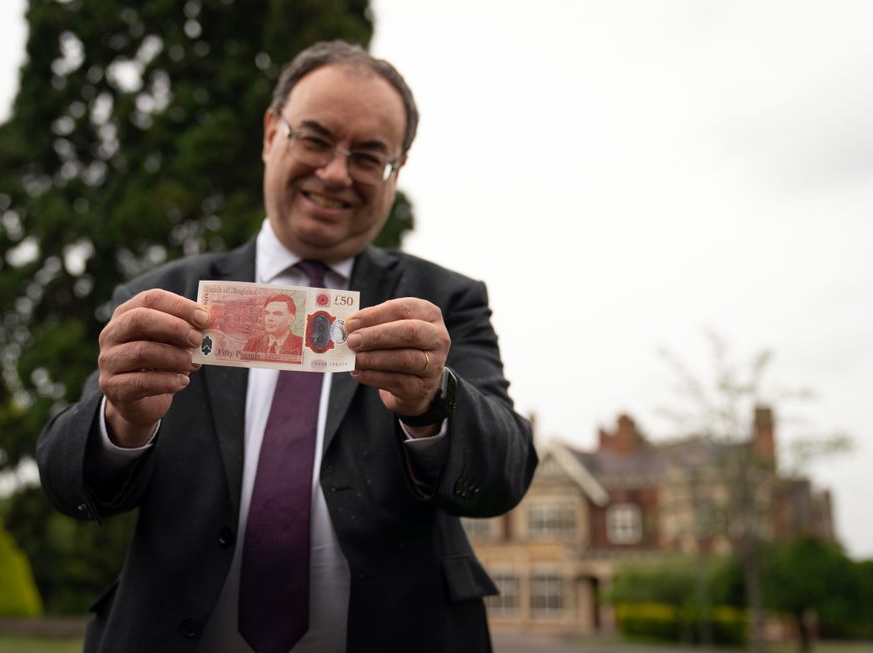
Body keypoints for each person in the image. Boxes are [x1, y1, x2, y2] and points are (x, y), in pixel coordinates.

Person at [37, 40, 537, 653]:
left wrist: (435, 403)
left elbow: (505, 474)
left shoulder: (443, 302)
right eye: (316, 139)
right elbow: (67, 484)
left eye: (368, 155)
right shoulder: (161, 294)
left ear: (396, 172)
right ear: (273, 132)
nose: (335, 172)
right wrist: (122, 422)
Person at [241, 293, 303, 359]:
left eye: (277, 314)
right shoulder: (252, 344)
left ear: (290, 319)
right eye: (267, 313)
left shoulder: (301, 345)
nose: (270, 318)